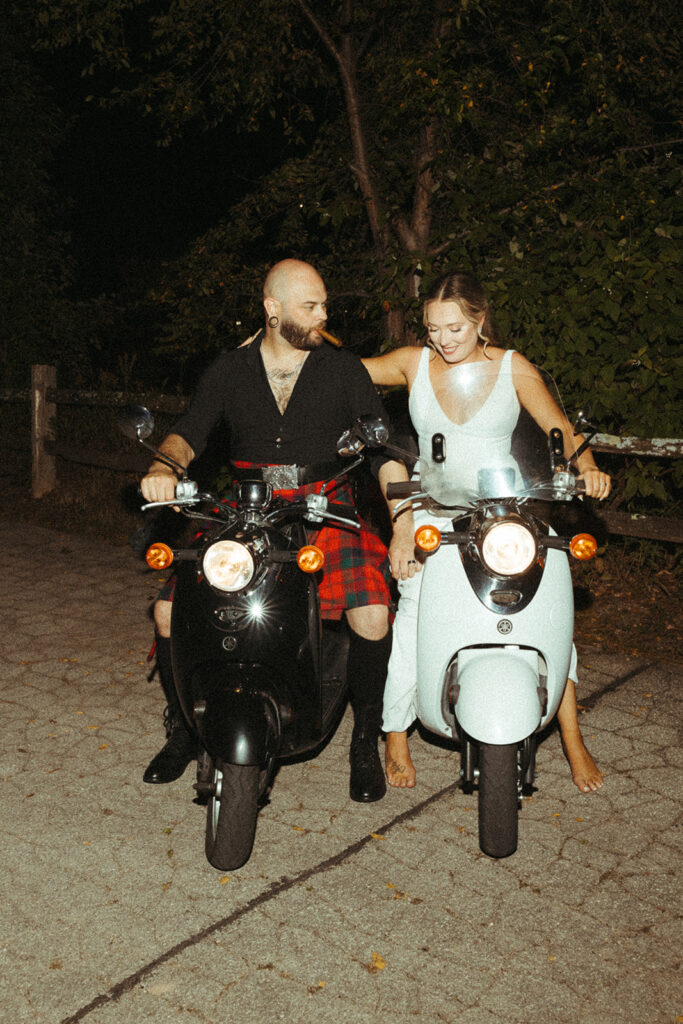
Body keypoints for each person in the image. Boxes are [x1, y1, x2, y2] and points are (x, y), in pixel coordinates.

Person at [140, 259, 415, 802]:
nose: (324, 316)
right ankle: (183, 730)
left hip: (324, 505)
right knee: (168, 610)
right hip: (246, 509)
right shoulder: (228, 371)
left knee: (372, 612)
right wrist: (162, 468)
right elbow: (187, 433)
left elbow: (383, 453)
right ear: (272, 310)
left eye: (324, 304)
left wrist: (402, 519)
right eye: (310, 306)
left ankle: (365, 739)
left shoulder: (342, 370)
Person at [361, 271, 611, 794]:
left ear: (479, 321)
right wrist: (281, 349)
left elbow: (560, 429)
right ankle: (395, 735)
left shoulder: (511, 366)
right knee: (413, 608)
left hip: (506, 513)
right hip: (431, 511)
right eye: (433, 329)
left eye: (455, 328)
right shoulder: (414, 362)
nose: (443, 340)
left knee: (547, 610)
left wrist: (587, 467)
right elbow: (342, 374)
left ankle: (572, 737)